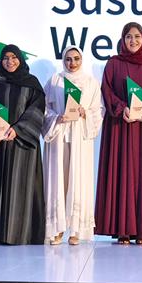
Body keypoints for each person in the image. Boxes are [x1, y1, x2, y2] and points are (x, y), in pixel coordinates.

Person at [95, 22, 142, 245]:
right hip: (121, 127)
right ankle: (123, 230)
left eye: (137, 36)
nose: (133, 41)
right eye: (128, 36)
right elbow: (106, 91)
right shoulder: (113, 64)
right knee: (121, 172)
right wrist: (121, 108)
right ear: (122, 39)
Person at [0, 45, 47, 245]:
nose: (10, 61)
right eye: (5, 58)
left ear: (21, 59)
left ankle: (16, 235)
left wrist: (18, 130)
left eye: (14, 57)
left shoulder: (32, 84)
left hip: (21, 144)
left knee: (19, 186)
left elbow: (37, 110)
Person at [43, 46, 103, 245]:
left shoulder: (91, 82)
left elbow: (98, 110)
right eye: (68, 59)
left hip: (80, 137)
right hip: (59, 135)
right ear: (63, 60)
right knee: (59, 180)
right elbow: (44, 107)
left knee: (78, 180)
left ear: (82, 60)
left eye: (76, 58)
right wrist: (56, 118)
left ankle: (76, 229)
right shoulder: (55, 80)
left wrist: (85, 113)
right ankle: (57, 228)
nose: (72, 63)